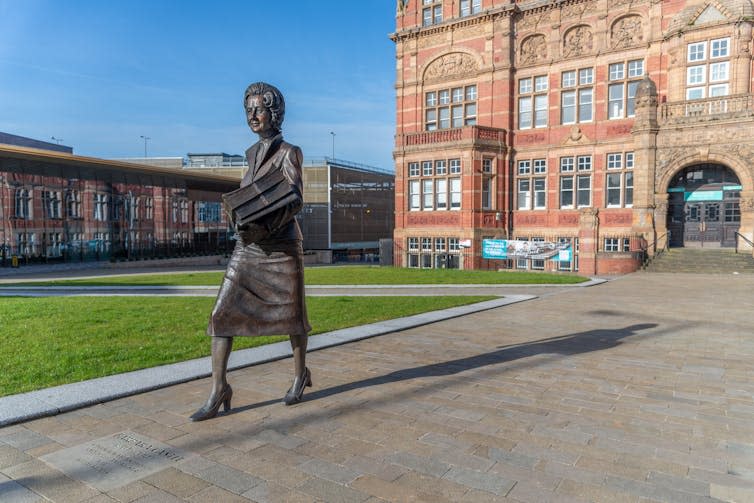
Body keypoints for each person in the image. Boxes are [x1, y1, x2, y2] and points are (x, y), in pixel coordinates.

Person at [190, 82, 312, 421]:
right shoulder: (251, 154)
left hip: (282, 247)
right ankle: (219, 389)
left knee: (293, 317)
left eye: (259, 109)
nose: (253, 116)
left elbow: (295, 199)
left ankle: (300, 374)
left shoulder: (290, 153)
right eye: (248, 110)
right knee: (220, 316)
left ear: (274, 113)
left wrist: (263, 226)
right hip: (248, 247)